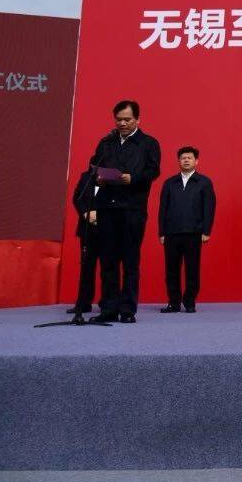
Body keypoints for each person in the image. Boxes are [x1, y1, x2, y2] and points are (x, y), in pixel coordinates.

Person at [89, 100, 161, 323]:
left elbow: (153, 170)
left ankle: (127, 310)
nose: (122, 123)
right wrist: (98, 176)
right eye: (118, 119)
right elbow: (94, 165)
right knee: (108, 261)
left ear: (138, 119)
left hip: (132, 209)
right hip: (107, 207)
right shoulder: (107, 142)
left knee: (130, 262)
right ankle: (109, 309)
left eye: (127, 119)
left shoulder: (148, 143)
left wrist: (134, 178)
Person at [157, 146, 216, 314]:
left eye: (190, 158)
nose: (186, 160)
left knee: (192, 269)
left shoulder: (204, 182)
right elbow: (162, 209)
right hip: (171, 233)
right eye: (183, 158)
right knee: (171, 270)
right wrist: (161, 232)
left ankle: (190, 302)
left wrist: (206, 231)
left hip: (193, 232)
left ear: (196, 161)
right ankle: (173, 303)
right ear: (179, 161)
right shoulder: (169, 183)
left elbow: (209, 208)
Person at [67, 168, 102, 315]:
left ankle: (108, 304)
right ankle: (83, 303)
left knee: (109, 268)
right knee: (86, 267)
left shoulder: (114, 175)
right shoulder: (86, 177)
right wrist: (86, 213)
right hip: (87, 228)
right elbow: (77, 198)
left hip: (107, 228)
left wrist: (100, 215)